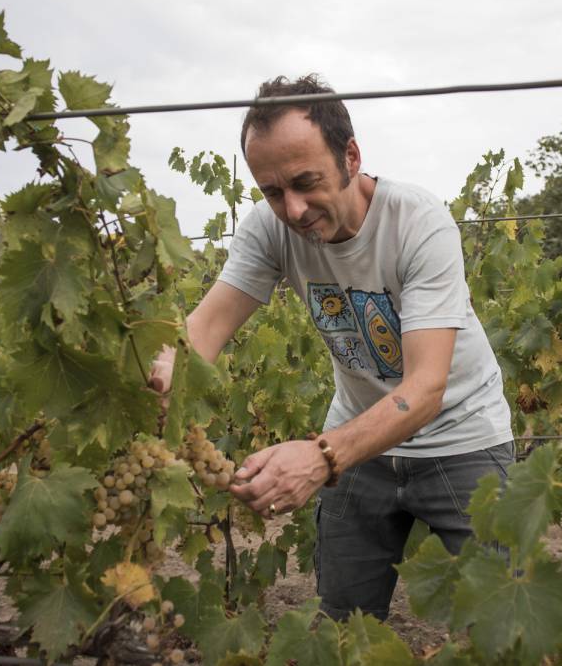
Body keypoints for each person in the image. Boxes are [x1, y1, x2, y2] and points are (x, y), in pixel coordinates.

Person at [148, 74, 513, 622]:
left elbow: (426, 387)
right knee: (340, 627)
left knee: (501, 626)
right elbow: (205, 328)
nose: (292, 209)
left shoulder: (418, 223)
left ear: (350, 155)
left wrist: (321, 456)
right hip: (358, 436)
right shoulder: (269, 231)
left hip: (463, 437)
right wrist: (167, 366)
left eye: (304, 182)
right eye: (272, 191)